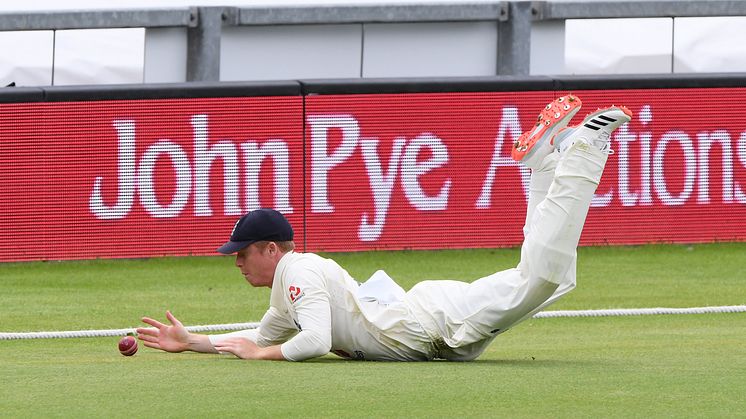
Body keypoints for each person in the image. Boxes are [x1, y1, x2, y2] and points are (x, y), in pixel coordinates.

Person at [137, 95, 632, 361]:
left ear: (271, 249)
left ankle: (584, 150)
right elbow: (264, 334)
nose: (237, 262)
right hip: (428, 326)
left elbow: (309, 343)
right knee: (550, 277)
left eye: (241, 253)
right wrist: (197, 341)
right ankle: (545, 166)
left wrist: (261, 355)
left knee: (544, 277)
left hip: (428, 324)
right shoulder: (288, 288)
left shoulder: (298, 274)